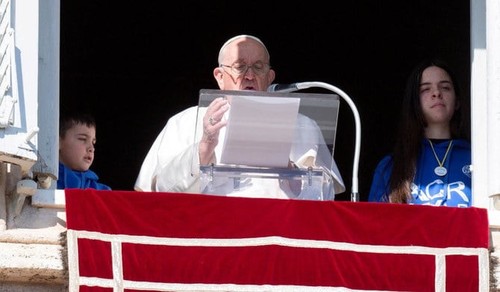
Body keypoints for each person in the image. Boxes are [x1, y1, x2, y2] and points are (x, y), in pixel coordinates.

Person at [134, 34, 345, 199]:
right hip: (212, 239)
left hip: (277, 239)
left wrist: (290, 171)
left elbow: (324, 197)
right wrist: (205, 146)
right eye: (239, 66)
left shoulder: (303, 126)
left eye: (258, 67)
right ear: (219, 76)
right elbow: (158, 189)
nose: (250, 75)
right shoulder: (185, 122)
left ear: (270, 77)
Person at [368, 58, 471, 206]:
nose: (436, 93)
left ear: (457, 101)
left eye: (445, 87)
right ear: (414, 102)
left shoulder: (479, 160)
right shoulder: (391, 166)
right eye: (425, 89)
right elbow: (375, 224)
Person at [57, 111, 111, 190]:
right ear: (58, 142)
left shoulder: (102, 192)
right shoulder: (42, 184)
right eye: (83, 139)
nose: (91, 148)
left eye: (93, 142)